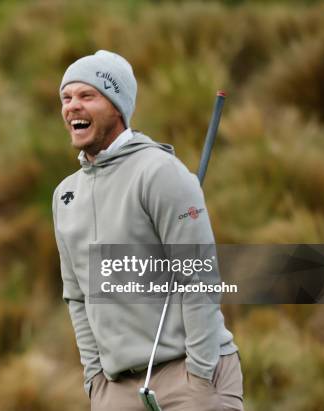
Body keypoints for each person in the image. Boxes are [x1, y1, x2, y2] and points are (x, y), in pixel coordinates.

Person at [52, 50, 243, 411]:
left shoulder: (160, 172)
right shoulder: (65, 194)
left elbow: (198, 277)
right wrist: (95, 378)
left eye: (87, 96)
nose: (72, 106)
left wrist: (200, 373)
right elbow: (76, 295)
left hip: (187, 376)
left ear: (117, 107)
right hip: (115, 388)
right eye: (67, 97)